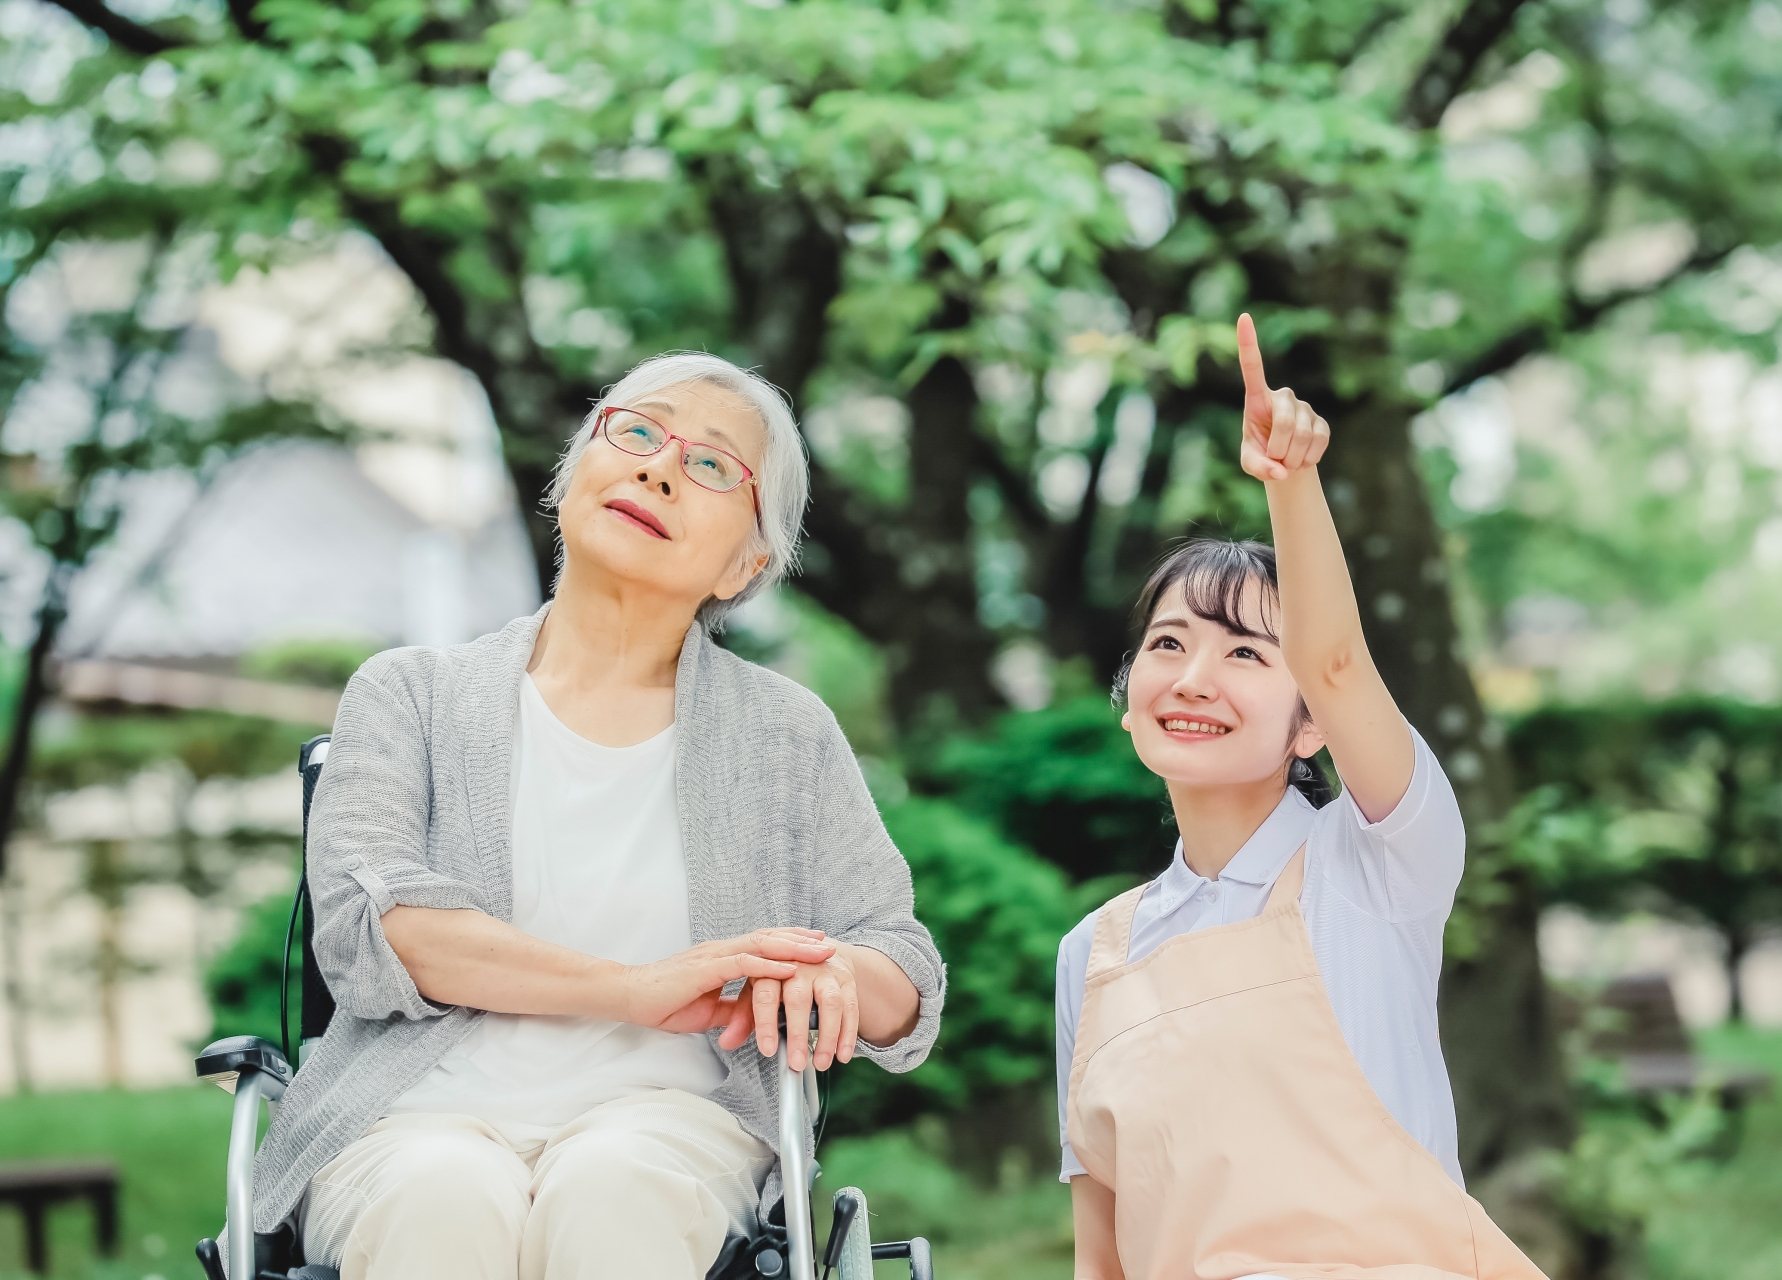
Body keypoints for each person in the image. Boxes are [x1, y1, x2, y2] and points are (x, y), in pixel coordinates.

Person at [239, 353, 945, 1280]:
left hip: (671, 1121)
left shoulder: (783, 734)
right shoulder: (410, 695)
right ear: (575, 473)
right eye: (640, 432)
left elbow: (900, 964)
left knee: (614, 1190)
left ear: (745, 563)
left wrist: (835, 975)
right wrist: (633, 988)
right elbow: (383, 931)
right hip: (412, 1113)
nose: (658, 468)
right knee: (439, 1196)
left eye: (711, 466)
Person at [1054, 316, 1547, 1280]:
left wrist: (1292, 483)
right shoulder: (1093, 959)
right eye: (1168, 644)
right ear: (1127, 702)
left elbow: (1334, 656)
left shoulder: (1375, 867)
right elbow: (1100, 1256)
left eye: (1245, 653)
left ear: (1311, 721)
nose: (1194, 678)